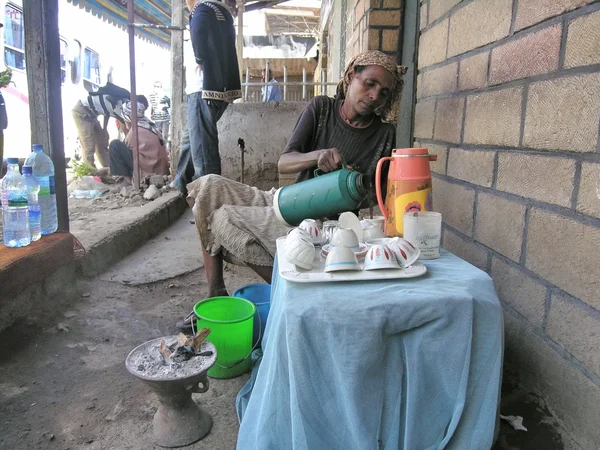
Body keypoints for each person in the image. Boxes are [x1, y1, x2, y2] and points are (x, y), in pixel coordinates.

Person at [177, 50, 406, 328]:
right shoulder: (321, 109)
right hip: (285, 201)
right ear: (350, 77)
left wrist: (353, 183)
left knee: (224, 220)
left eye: (383, 93)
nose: (374, 96)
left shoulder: (384, 134)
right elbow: (285, 162)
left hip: (319, 227)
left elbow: (379, 197)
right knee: (209, 185)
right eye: (369, 84)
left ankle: (295, 296)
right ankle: (215, 293)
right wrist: (317, 155)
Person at [184, 0, 241, 180]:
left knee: (204, 152)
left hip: (202, 89)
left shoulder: (202, 9)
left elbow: (198, 28)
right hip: (220, 89)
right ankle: (180, 182)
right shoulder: (222, 12)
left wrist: (200, 58)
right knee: (191, 139)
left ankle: (211, 197)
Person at [108, 97, 170, 184]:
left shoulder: (135, 131)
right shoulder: (149, 125)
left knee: (115, 145)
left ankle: (126, 181)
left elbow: (123, 154)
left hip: (149, 171)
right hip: (161, 170)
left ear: (127, 118)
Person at [71, 84, 129, 168]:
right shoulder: (120, 106)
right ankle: (90, 172)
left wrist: (104, 129)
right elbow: (126, 129)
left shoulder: (119, 102)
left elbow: (107, 113)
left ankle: (110, 169)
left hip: (92, 115)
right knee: (89, 144)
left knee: (102, 141)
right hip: (81, 112)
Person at [149, 81, 171, 145]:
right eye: (155, 86)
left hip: (165, 117)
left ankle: (165, 149)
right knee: (158, 134)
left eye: (158, 86)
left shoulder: (164, 95)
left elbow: (169, 103)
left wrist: (166, 107)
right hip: (157, 117)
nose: (157, 88)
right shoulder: (151, 96)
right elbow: (152, 105)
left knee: (165, 135)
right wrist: (152, 113)